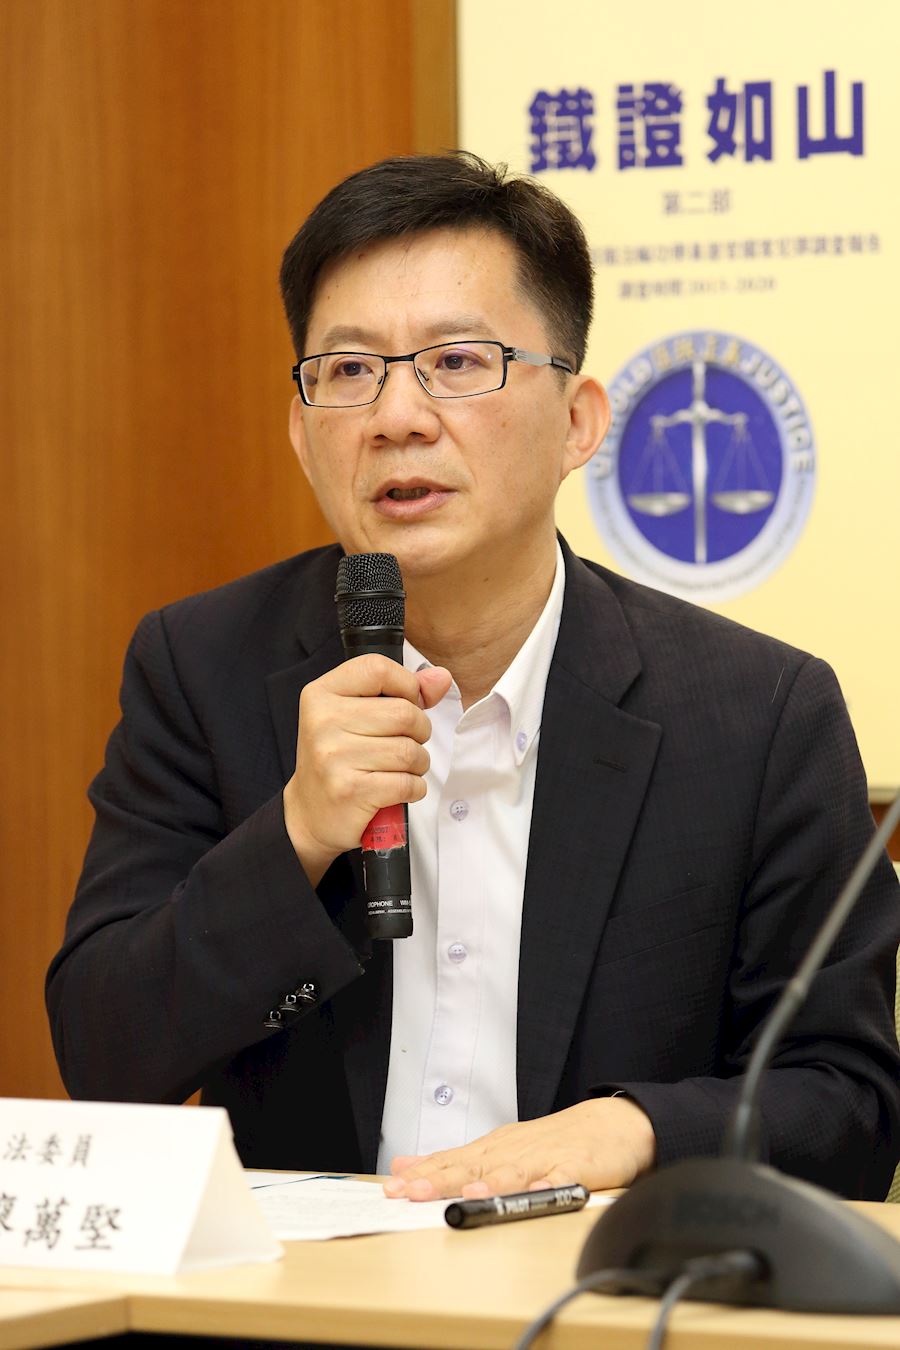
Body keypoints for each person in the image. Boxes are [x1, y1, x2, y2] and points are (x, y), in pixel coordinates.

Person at [47, 153, 900, 1203]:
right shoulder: (201, 667)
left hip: (599, 1280)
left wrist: (640, 1130)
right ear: (303, 434)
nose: (397, 416)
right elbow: (103, 1055)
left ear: (578, 423)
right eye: (349, 371)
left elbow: (852, 1104)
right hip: (308, 1286)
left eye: (457, 361)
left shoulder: (757, 716)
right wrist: (298, 832)